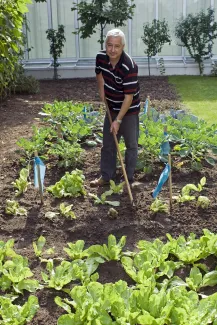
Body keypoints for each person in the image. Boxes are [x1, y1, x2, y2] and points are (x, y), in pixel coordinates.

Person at [90, 28, 140, 187]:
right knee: (109, 143)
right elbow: (99, 74)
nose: (112, 50)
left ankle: (129, 179)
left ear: (123, 47)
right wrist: (101, 90)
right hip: (111, 105)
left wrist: (118, 120)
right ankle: (106, 176)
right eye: (109, 45)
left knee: (131, 145)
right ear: (105, 45)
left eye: (116, 46)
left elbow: (128, 97)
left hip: (129, 110)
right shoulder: (100, 57)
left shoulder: (129, 66)